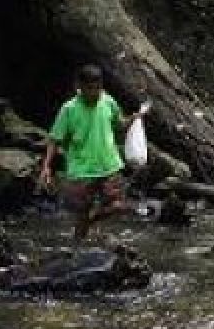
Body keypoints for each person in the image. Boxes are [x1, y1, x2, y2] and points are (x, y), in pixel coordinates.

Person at [38, 64, 146, 241]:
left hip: (109, 165)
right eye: (89, 89)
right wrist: (46, 167)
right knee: (82, 213)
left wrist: (133, 120)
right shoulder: (69, 109)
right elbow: (54, 139)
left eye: (97, 88)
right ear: (78, 87)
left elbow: (119, 124)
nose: (94, 93)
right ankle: (78, 248)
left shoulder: (108, 101)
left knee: (118, 206)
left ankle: (93, 219)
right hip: (81, 170)